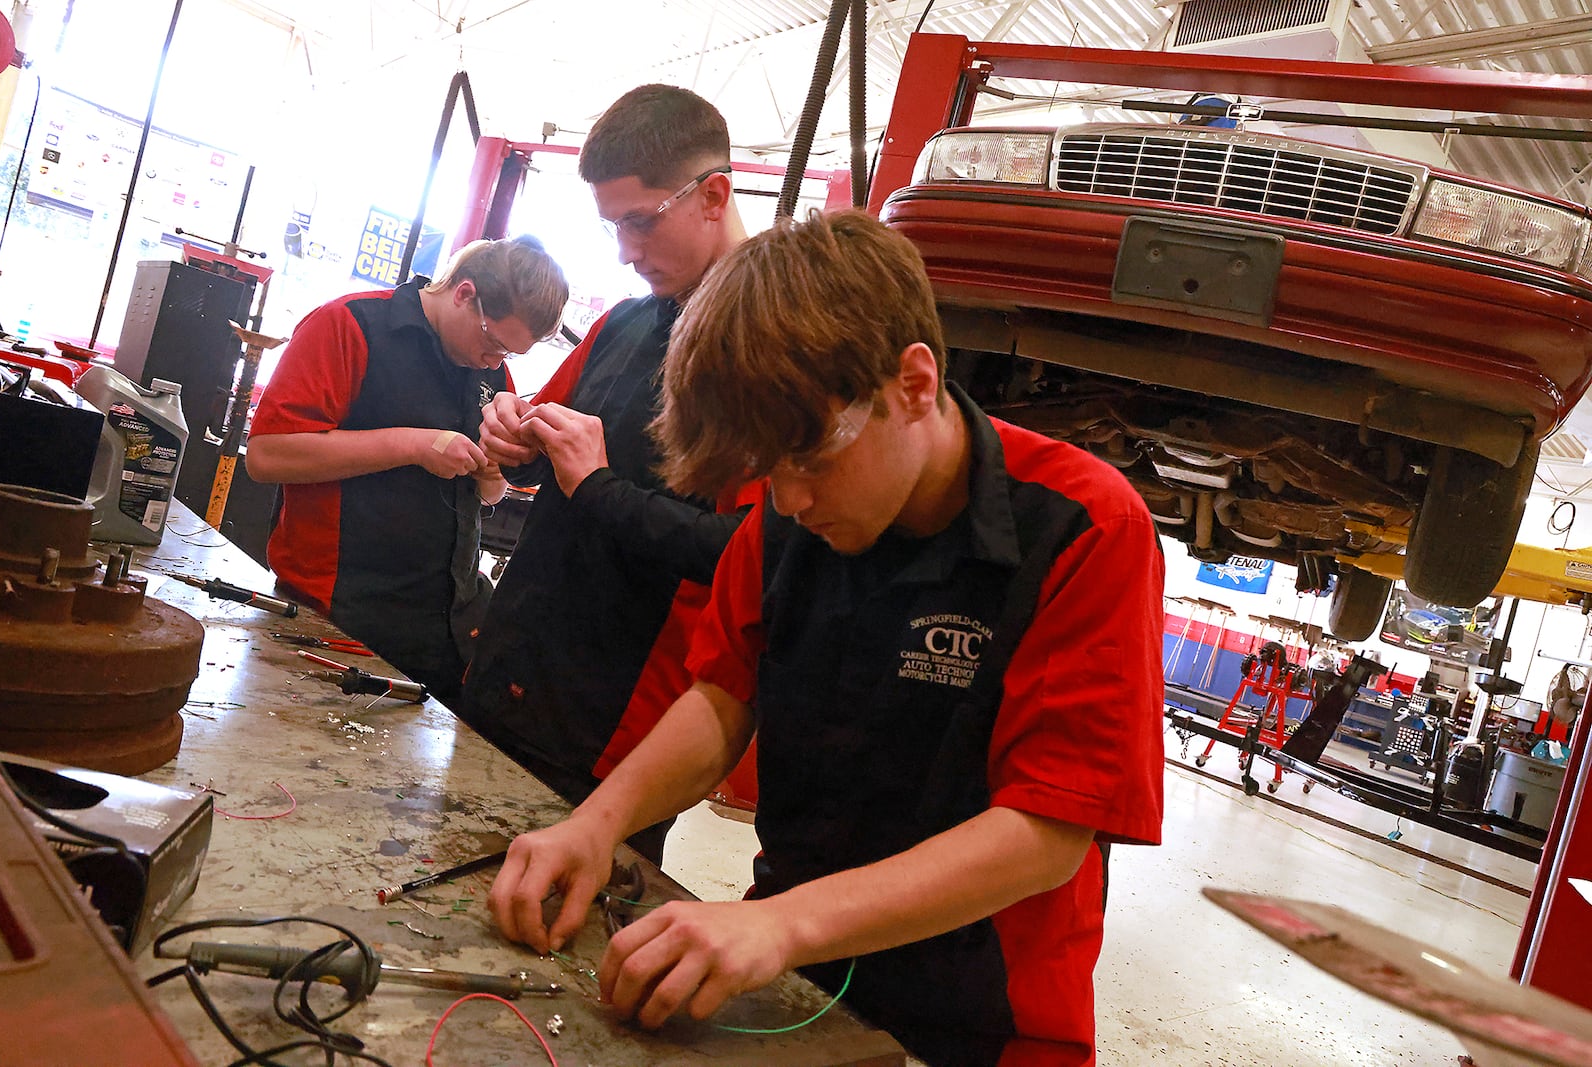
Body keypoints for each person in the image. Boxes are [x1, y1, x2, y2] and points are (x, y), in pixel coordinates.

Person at [486, 210, 1166, 1066]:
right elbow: (722, 698)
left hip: (980, 1021)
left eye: (809, 462)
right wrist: (595, 826)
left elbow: (1046, 831)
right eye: (766, 475)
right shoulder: (781, 515)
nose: (791, 500)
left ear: (913, 385)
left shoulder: (1084, 528)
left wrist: (779, 922)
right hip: (789, 980)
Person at [460, 85, 757, 863]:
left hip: (615, 726)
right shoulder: (624, 322)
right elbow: (537, 456)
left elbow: (752, 555)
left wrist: (598, 488)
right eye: (612, 225)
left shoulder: (770, 357)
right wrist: (511, 435)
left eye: (640, 220)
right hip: (512, 668)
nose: (625, 249)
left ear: (713, 195)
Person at [246, 237, 567, 711]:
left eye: (511, 355)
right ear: (463, 293)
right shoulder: (349, 325)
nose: (496, 361)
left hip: (444, 627)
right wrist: (413, 446)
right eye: (494, 342)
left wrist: (493, 467)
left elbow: (490, 496)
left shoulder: (489, 373)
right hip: (337, 617)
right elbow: (267, 455)